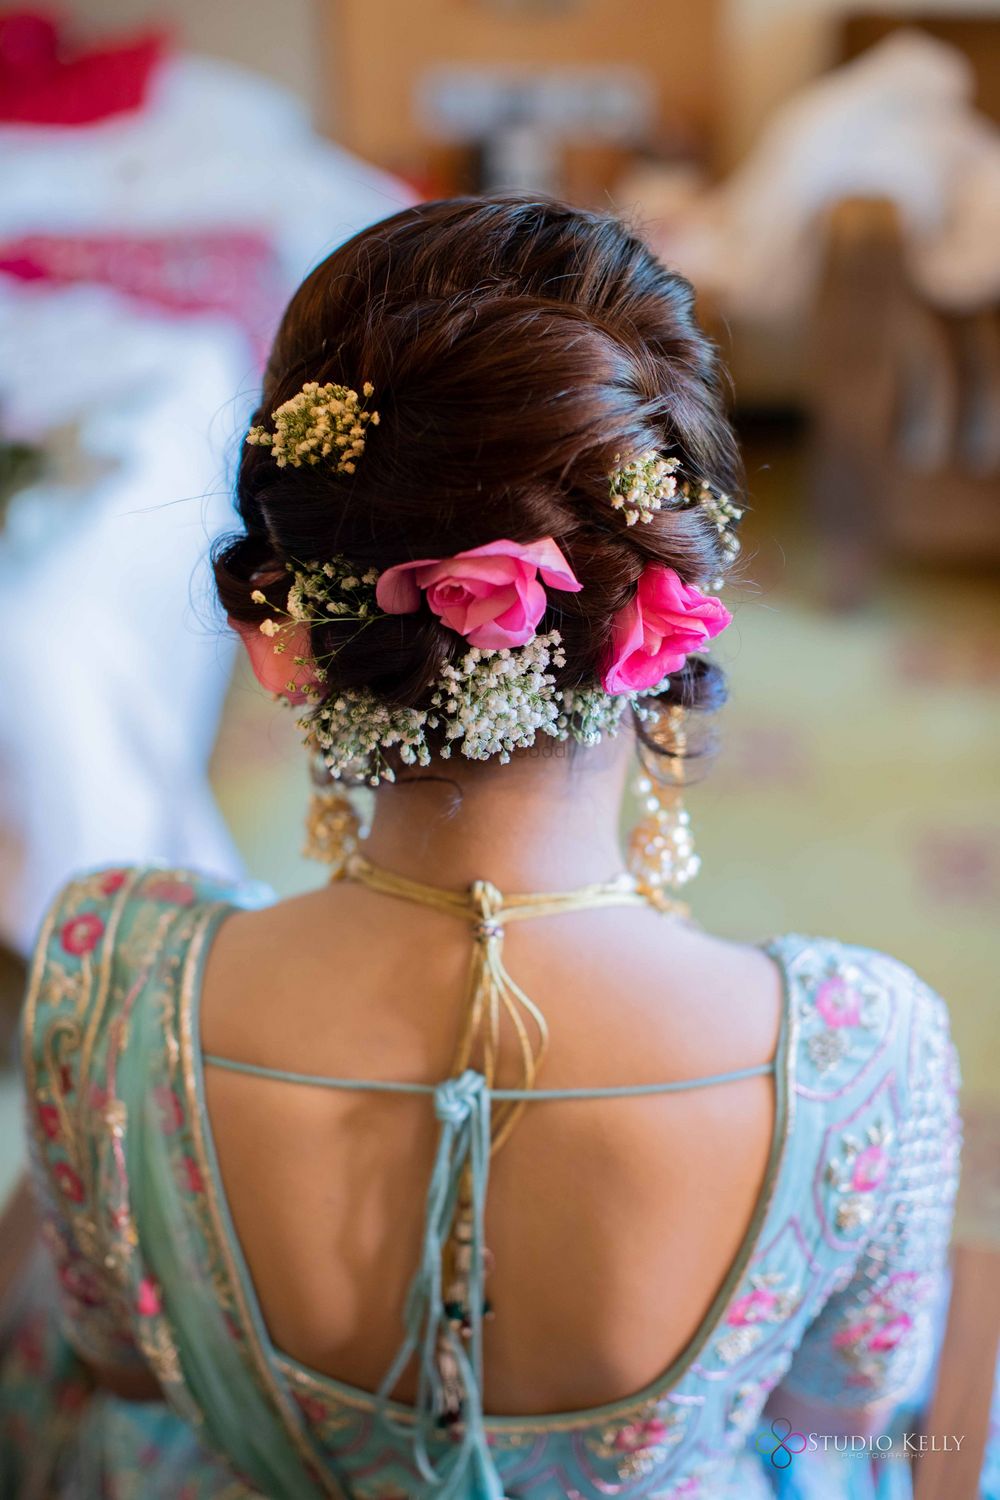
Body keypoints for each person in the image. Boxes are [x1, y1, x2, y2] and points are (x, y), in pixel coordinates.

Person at [1, 197, 963, 1499]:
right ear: (671, 624)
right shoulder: (866, 1053)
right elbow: (848, 1408)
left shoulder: (102, 980)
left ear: (291, 637)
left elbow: (119, 1366)